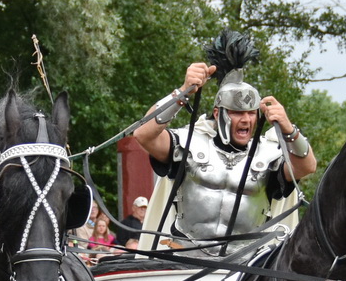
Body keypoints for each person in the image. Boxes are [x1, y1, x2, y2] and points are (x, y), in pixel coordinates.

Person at [131, 33, 318, 252]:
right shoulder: (189, 143)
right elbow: (143, 134)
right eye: (238, 113)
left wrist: (288, 128)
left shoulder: (268, 155)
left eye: (251, 113)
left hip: (245, 268)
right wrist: (182, 92)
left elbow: (308, 166)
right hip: (183, 259)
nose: (246, 119)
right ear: (219, 113)